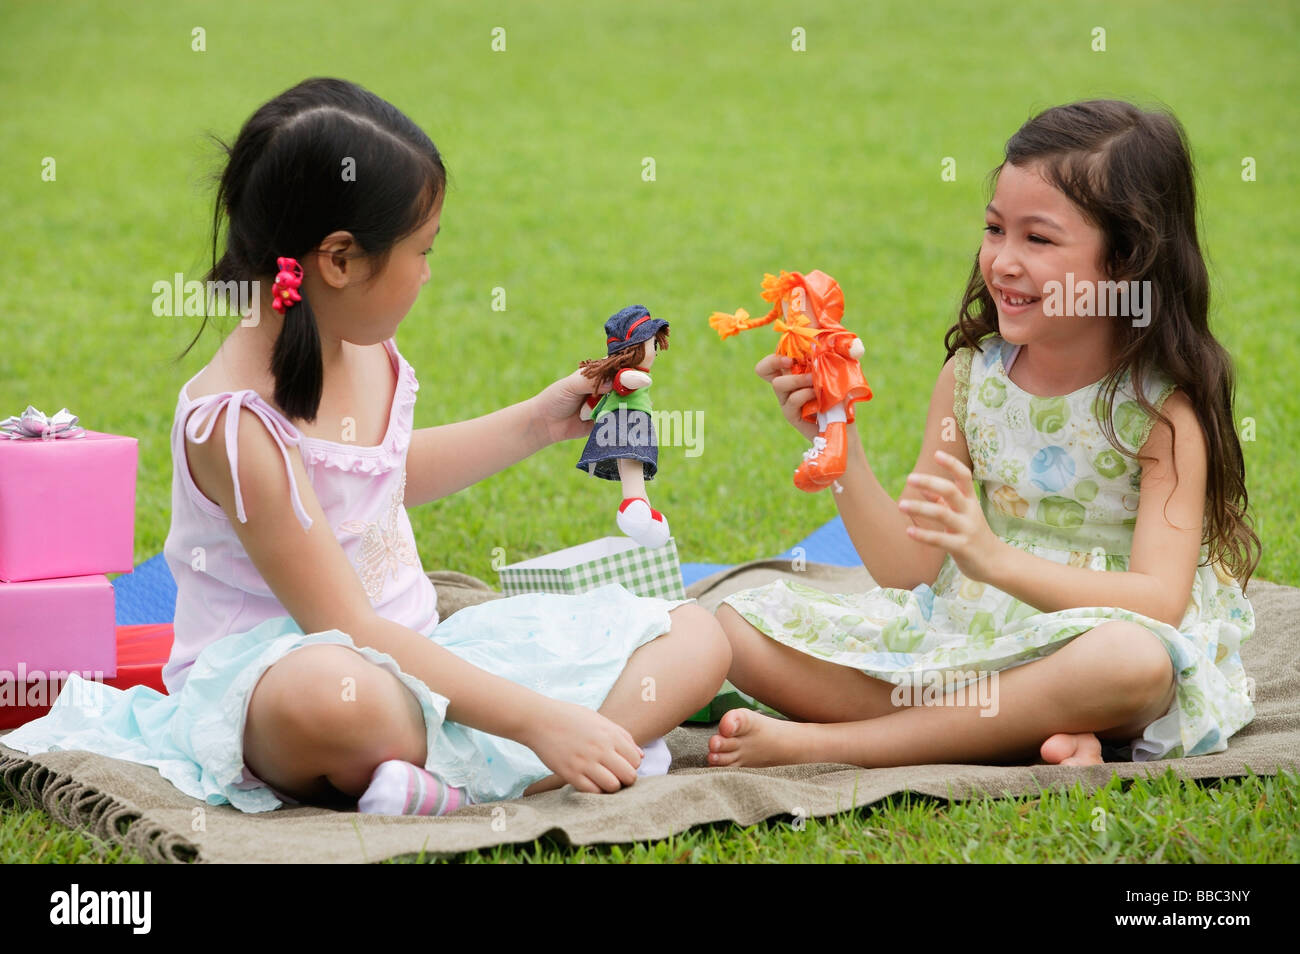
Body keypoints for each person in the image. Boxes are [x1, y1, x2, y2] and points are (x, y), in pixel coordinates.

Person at [4, 77, 729, 815]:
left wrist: (539, 422)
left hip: (418, 657)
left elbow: (381, 480)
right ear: (340, 261)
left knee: (697, 637)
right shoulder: (238, 425)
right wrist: (537, 717)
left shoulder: (356, 340)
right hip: (291, 679)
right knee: (331, 700)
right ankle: (536, 755)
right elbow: (344, 626)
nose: (428, 272)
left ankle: (468, 779)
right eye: (422, 251)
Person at [707, 100, 1260, 770]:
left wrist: (992, 559)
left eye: (1039, 239)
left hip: (1095, 641)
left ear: (1126, 262)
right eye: (995, 229)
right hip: (969, 641)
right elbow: (909, 570)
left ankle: (840, 745)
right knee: (733, 626)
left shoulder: (1159, 410)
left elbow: (1159, 602)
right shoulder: (974, 378)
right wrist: (835, 442)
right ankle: (1016, 730)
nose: (1002, 261)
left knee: (1132, 662)